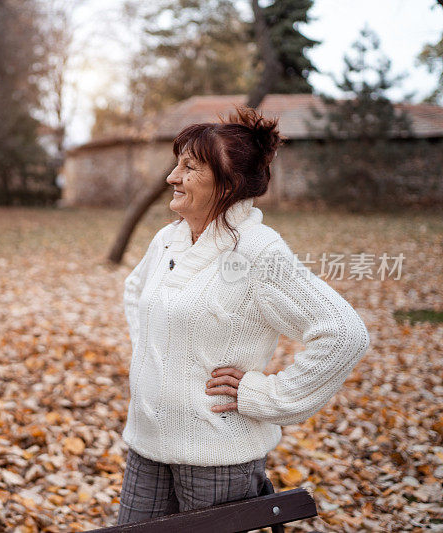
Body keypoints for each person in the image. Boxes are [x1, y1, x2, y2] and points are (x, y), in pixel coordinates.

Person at [117, 107, 370, 523]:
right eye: (176, 164)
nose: (171, 177)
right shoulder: (168, 239)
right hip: (146, 444)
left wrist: (264, 396)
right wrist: (154, 359)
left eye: (189, 167)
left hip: (217, 457)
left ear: (228, 184)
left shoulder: (258, 251)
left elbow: (344, 334)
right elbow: (135, 291)